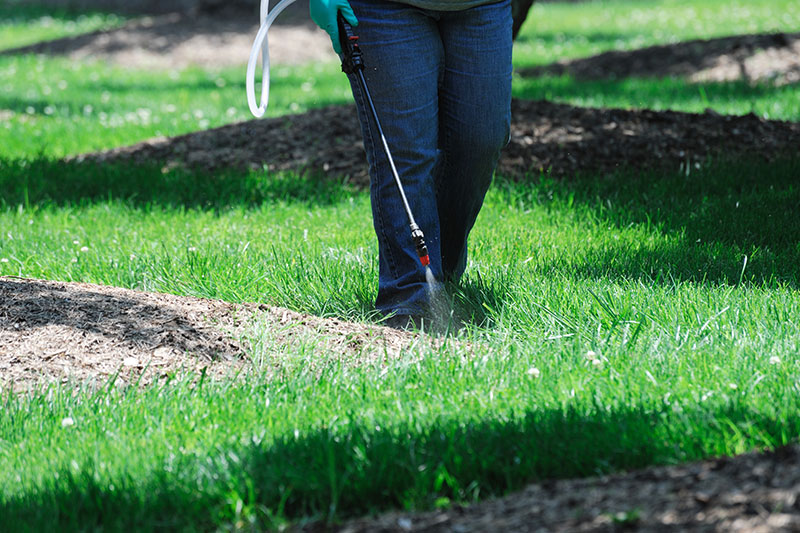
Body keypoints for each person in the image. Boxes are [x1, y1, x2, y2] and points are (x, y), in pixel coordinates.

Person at [310, 0, 512, 329]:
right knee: (403, 153)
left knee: (480, 139)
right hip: (384, 9)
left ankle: (439, 273)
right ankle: (410, 300)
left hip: (482, 5)